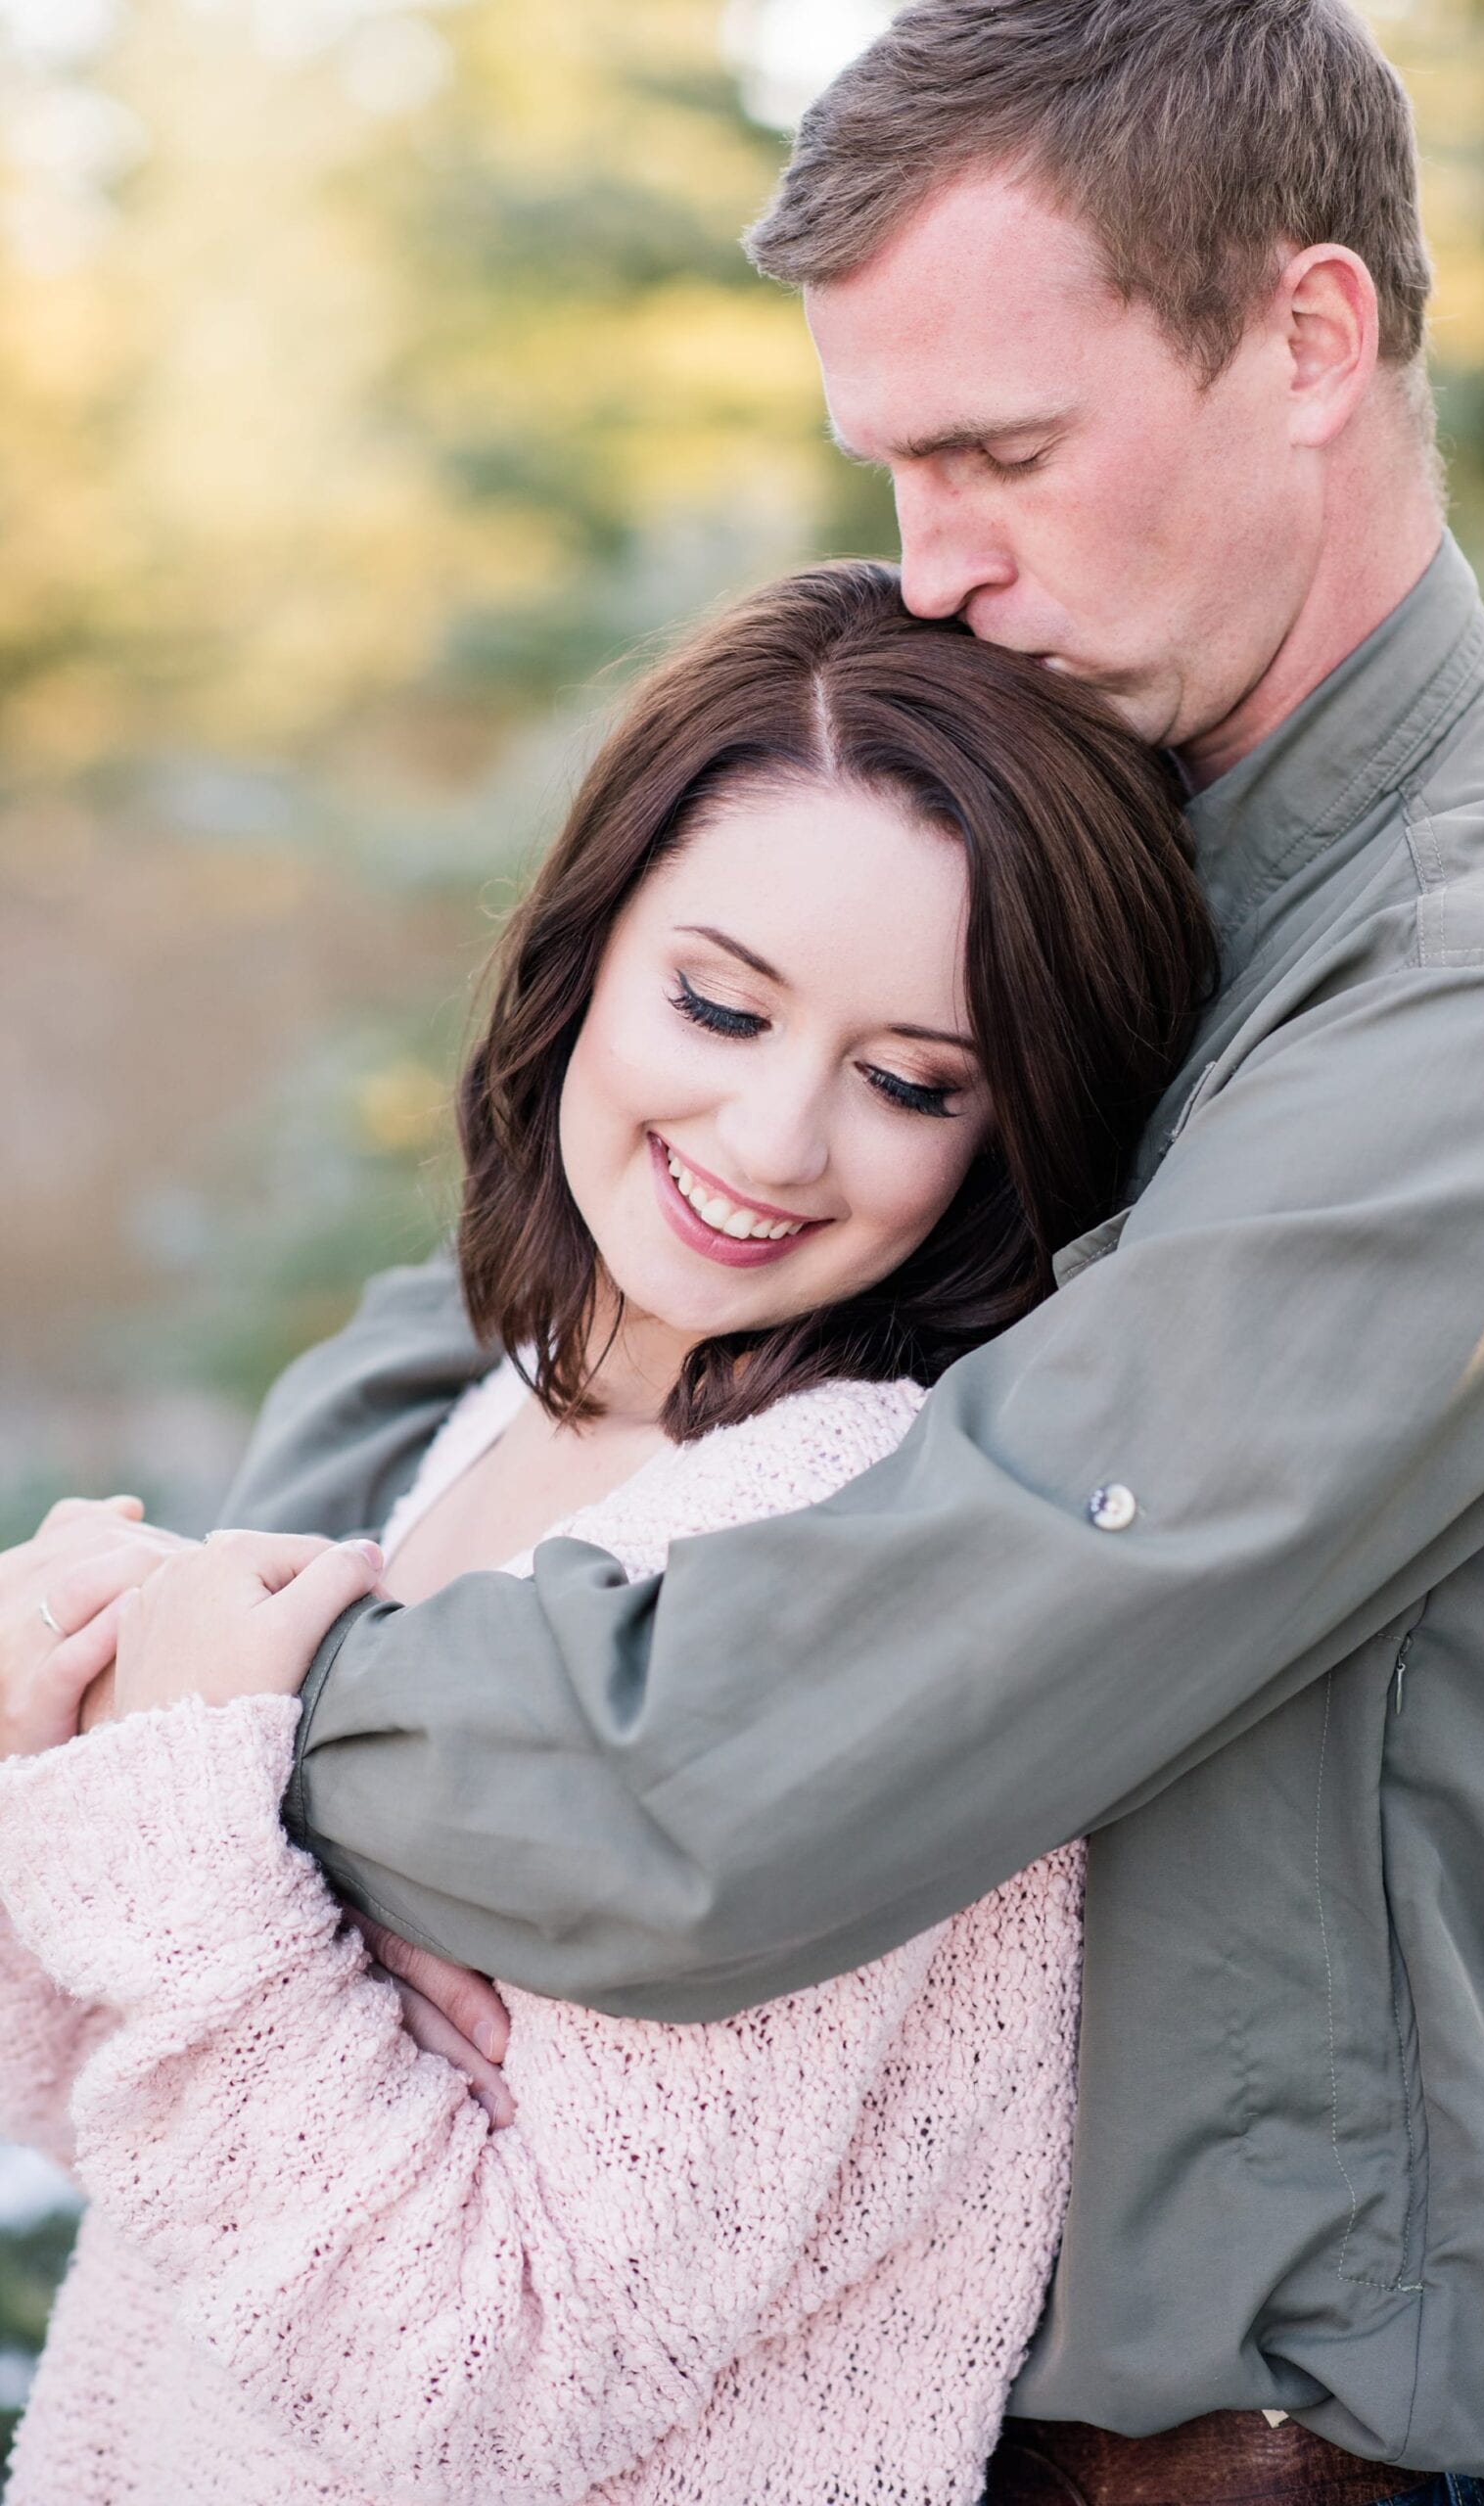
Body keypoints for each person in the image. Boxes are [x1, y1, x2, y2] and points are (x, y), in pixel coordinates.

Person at [8, 0, 1484, 2497]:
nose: (938, 565)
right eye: (890, 468)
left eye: (1003, 451)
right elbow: (479, 1341)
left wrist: (211, 1719)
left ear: (1310, 340)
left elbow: (734, 1776)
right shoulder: (1078, 797)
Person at [0, 565, 1214, 2506]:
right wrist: (52, 1744)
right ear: (587, 948)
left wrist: (180, 1812)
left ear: (1010, 1125)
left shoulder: (835, 1541)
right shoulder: (525, 1402)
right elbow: (143, 2110)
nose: (771, 1135)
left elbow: (495, 2381)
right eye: (720, 1002)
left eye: (912, 1078)